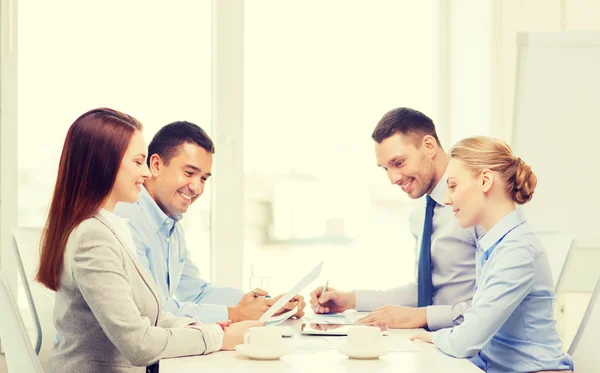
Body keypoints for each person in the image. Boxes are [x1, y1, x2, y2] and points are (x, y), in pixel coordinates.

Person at [37, 108, 261, 373]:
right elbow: (138, 343)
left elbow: (149, 316)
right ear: (105, 163)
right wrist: (219, 338)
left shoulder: (110, 227)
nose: (145, 174)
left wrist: (206, 327)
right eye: (138, 162)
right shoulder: (93, 237)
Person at [114, 121, 306, 324]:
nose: (197, 188)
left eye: (204, 179)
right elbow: (153, 311)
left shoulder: (171, 225)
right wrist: (235, 313)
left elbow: (197, 292)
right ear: (156, 165)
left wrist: (266, 305)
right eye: (189, 173)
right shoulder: (127, 220)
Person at [410, 136, 574, 373]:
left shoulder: (517, 250)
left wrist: (434, 338)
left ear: (485, 180)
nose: (447, 199)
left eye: (453, 186)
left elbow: (466, 341)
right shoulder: (494, 245)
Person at [310, 107, 482, 331]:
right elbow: (425, 292)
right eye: (385, 169)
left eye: (399, 163)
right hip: (440, 342)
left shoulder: (476, 200)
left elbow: (495, 305)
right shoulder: (420, 209)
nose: (393, 179)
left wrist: (423, 317)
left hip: (478, 350)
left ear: (429, 146)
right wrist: (350, 300)